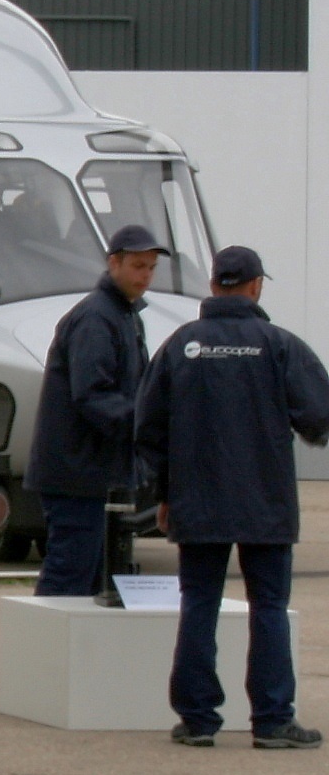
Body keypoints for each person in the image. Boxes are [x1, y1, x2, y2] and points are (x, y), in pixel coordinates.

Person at [135, 246, 329, 749]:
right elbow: (319, 415)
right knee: (268, 604)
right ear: (255, 286)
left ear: (215, 285)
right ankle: (272, 720)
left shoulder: (182, 344)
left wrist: (166, 489)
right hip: (265, 500)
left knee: (198, 601)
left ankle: (198, 719)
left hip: (196, 499)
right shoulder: (279, 345)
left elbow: (147, 425)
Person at [23, 224, 167, 596]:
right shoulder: (96, 318)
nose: (146, 276)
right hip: (77, 474)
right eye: (138, 266)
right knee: (70, 573)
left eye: (151, 267)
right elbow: (92, 395)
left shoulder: (125, 316)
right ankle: (45, 652)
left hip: (96, 472)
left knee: (94, 580)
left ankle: (66, 651)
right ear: (113, 263)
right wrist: (147, 425)